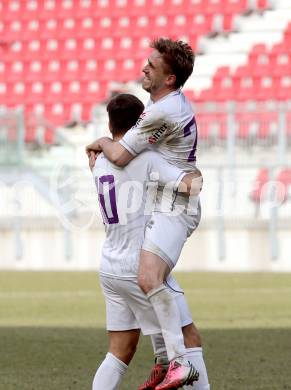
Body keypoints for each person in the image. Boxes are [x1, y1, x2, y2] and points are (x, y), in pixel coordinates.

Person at [87, 38, 210, 390]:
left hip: (173, 207)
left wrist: (100, 141)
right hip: (165, 204)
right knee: (177, 320)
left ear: (169, 79)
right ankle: (169, 360)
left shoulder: (159, 114)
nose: (144, 68)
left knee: (149, 277)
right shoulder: (168, 111)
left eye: (151, 66)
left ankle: (171, 362)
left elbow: (122, 156)